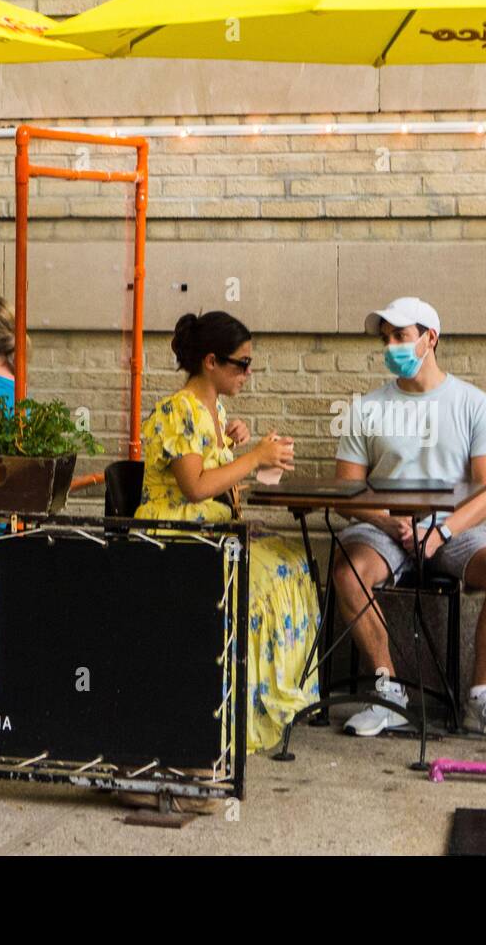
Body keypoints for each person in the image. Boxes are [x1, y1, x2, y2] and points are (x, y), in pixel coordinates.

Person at [332, 297, 486, 740]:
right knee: (348, 573)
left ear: (430, 339)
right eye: (386, 339)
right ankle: (388, 691)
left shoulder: (475, 405)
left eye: (401, 337)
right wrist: (386, 522)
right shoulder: (366, 408)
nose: (391, 348)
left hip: (454, 529)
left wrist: (439, 531)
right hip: (386, 528)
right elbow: (346, 493)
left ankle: (481, 695)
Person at [135, 311, 318, 753]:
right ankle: (234, 712)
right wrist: (253, 457)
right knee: (262, 580)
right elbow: (194, 487)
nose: (248, 374)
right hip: (174, 536)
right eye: (242, 364)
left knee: (293, 561)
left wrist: (236, 445)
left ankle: (269, 700)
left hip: (209, 531)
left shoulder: (213, 409)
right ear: (211, 362)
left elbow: (209, 467)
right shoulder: (178, 410)